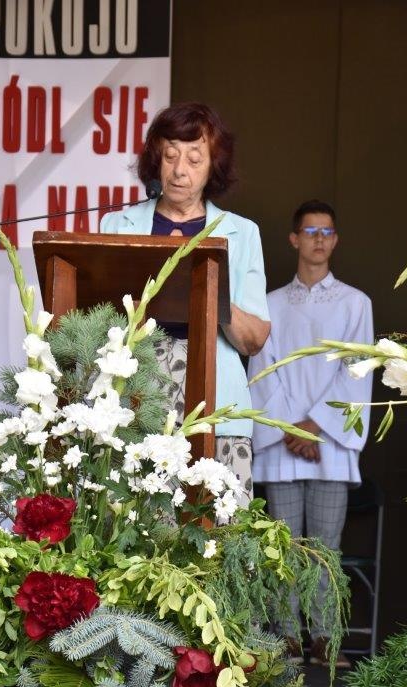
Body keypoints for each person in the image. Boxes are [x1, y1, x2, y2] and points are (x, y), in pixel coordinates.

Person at [100, 103, 270, 504]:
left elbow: (253, 340)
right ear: (155, 161)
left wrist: (211, 288)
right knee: (134, 526)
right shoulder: (116, 226)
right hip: (135, 401)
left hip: (216, 403)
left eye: (194, 159)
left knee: (219, 528)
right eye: (170, 156)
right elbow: (100, 319)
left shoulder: (242, 233)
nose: (180, 170)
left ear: (213, 167)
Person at [247, 199, 374, 668]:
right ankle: (286, 639)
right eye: (310, 231)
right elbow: (262, 372)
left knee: (325, 549)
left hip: (329, 445)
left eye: (326, 232)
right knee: (282, 548)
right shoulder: (269, 304)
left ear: (335, 241)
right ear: (294, 238)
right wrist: (291, 428)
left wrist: (316, 425)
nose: (318, 240)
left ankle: (324, 639)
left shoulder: (356, 303)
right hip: (282, 445)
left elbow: (357, 371)